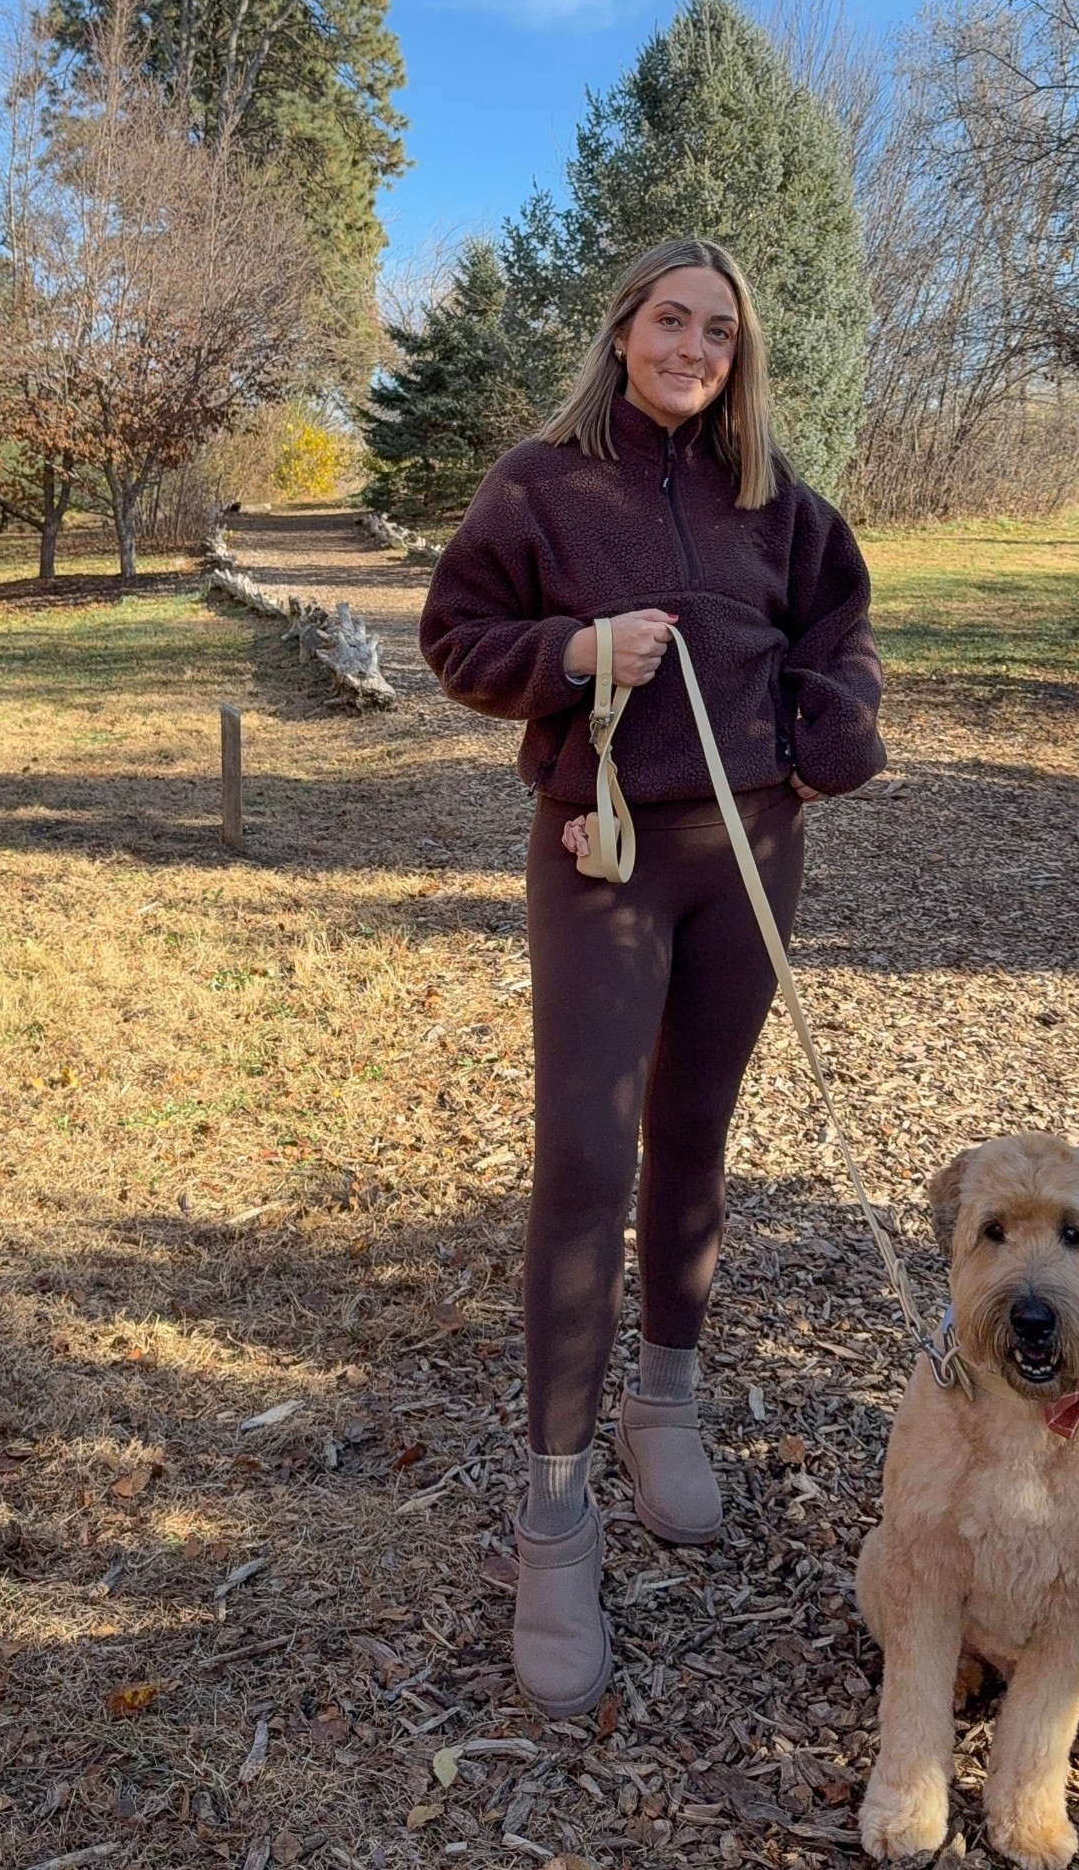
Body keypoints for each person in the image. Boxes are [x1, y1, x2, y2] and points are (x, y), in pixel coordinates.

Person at [419, 238, 885, 1716]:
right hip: (604, 852)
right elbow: (454, 638)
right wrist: (575, 653)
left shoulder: (776, 501)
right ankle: (554, 1511)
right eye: (671, 321)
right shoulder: (541, 483)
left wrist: (823, 741)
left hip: (751, 854)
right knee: (582, 1159)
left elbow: (843, 634)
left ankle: (661, 1402)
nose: (695, 347)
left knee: (696, 1139)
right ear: (623, 331)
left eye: (721, 331)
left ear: (741, 356)